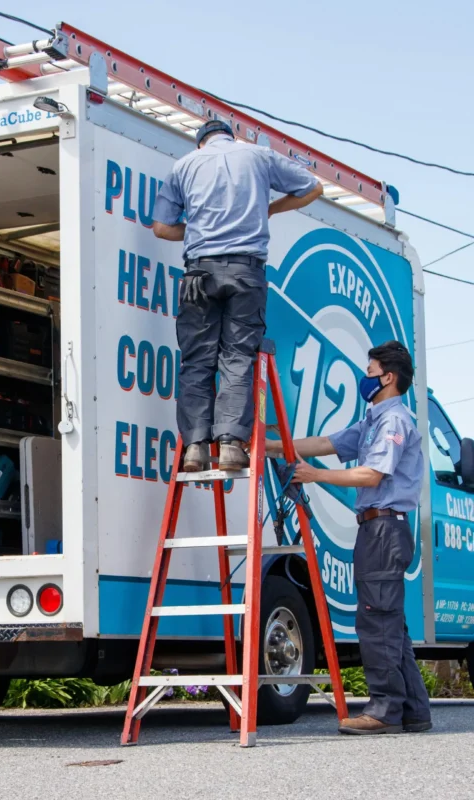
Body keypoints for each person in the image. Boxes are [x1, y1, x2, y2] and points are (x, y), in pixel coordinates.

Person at [266, 340, 432, 735]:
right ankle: (413, 709)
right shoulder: (373, 420)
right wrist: (272, 446)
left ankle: (383, 711)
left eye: (370, 372)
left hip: (384, 529)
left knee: (376, 622)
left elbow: (371, 475)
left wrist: (315, 475)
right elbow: (327, 443)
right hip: (379, 528)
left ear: (388, 378)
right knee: (391, 622)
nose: (366, 377)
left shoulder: (394, 422)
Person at [152, 119, 323, 472]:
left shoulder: (183, 166)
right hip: (246, 272)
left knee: (197, 361)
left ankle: (195, 447)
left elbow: (162, 227)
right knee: (237, 357)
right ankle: (231, 445)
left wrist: (198, 227)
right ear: (233, 137)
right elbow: (313, 188)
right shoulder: (258, 156)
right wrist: (270, 209)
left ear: (201, 143)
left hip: (199, 273)